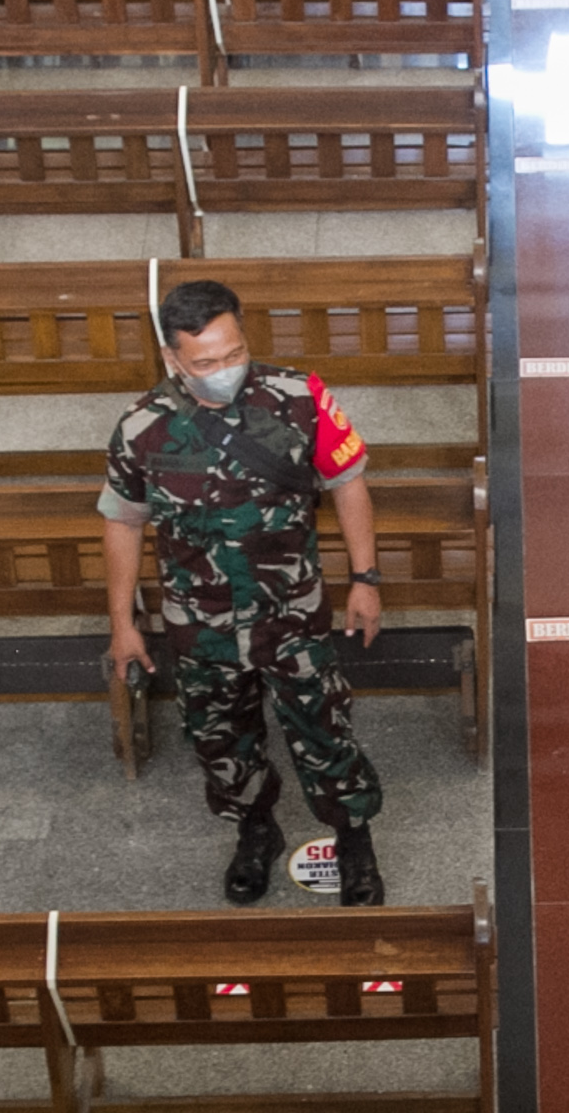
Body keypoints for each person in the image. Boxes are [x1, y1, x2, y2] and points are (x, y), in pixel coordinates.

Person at [100, 278, 392, 907]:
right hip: (200, 622)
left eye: (234, 353)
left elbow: (347, 484)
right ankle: (254, 830)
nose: (224, 370)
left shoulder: (298, 398)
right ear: (172, 358)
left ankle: (353, 839)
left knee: (324, 729)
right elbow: (122, 522)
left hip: (291, 614)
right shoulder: (141, 428)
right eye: (205, 362)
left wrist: (365, 579)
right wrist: (122, 622)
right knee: (221, 739)